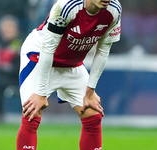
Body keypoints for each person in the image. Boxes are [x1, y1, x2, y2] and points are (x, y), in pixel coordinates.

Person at [16, 0, 121, 149]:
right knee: (32, 114)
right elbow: (48, 48)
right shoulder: (66, 6)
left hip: (72, 63)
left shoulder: (114, 9)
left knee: (93, 115)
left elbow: (103, 50)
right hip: (39, 57)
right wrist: (40, 93)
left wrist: (90, 91)